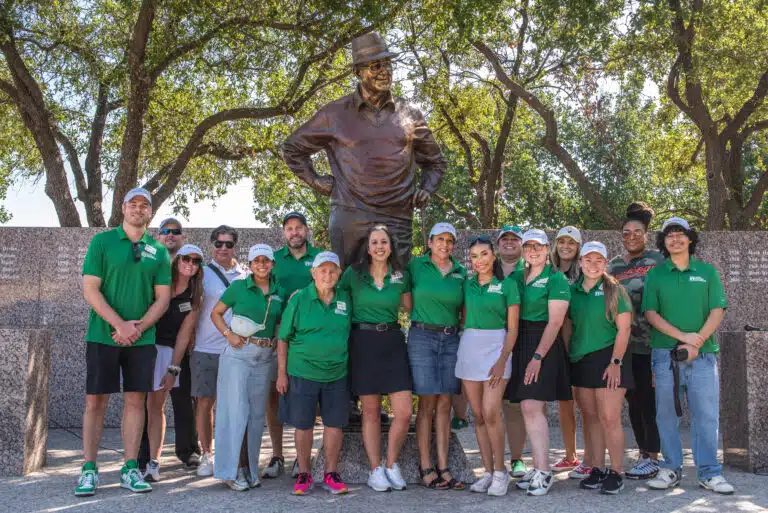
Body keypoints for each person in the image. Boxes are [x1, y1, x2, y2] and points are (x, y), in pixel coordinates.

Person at [281, 32, 446, 267]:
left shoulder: (410, 115)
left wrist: (427, 188)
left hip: (397, 216)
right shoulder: (334, 114)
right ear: (357, 71)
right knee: (347, 288)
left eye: (388, 64)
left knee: (397, 288)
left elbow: (436, 162)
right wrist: (316, 181)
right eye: (376, 65)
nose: (384, 71)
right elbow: (292, 147)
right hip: (350, 216)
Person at [75, 187, 171, 497]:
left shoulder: (158, 250)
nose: (138, 209)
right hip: (103, 335)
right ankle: (89, 469)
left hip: (141, 340)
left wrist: (137, 328)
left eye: (145, 205)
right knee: (95, 402)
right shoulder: (102, 242)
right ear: (123, 207)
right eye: (133, 203)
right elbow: (91, 289)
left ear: (149, 212)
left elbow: (163, 298)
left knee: (135, 402)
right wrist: (119, 325)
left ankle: (130, 468)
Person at [643, 217, 733, 494]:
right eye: (669, 235)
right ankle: (671, 469)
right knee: (666, 414)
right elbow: (650, 313)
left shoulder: (707, 272)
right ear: (664, 242)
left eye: (680, 234)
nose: (675, 239)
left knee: (706, 415)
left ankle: (709, 472)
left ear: (690, 239)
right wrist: (684, 338)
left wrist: (698, 341)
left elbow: (717, 310)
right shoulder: (656, 274)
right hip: (665, 356)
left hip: (703, 355)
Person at [339, 225, 413, 492]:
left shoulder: (400, 276)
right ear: (367, 248)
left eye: (384, 242)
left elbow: (410, 306)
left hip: (393, 341)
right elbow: (336, 301)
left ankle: (391, 464)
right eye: (375, 242)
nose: (380, 246)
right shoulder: (353, 275)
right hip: (363, 342)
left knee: (403, 412)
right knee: (370, 412)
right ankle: (375, 469)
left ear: (390, 246)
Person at [276, 251, 352, 496]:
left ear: (339, 274)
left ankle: (330, 474)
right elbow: (283, 338)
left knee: (334, 424)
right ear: (313, 273)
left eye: (332, 270)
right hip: (302, 372)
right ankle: (305, 474)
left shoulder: (346, 299)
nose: (327, 275)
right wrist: (281, 374)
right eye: (322, 270)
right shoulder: (299, 299)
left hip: (337, 373)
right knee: (303, 425)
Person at [211, 244, 286, 491]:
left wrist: (275, 341)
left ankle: (250, 469)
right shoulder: (238, 287)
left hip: (265, 357)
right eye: (257, 260)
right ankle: (231, 472)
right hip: (238, 354)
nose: (262, 264)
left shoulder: (279, 291)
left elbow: (279, 322)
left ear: (272, 264)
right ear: (251, 264)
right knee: (235, 413)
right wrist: (228, 334)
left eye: (266, 260)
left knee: (255, 417)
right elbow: (216, 313)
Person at [563, 241, 633, 495]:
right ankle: (597, 468)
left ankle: (617, 472)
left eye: (599, 260)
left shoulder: (615, 290)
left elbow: (624, 329)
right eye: (588, 260)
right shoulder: (571, 291)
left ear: (606, 263)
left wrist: (616, 362)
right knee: (590, 419)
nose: (593, 265)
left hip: (609, 358)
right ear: (580, 262)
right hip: (581, 360)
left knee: (610, 418)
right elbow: (568, 326)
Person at [505, 229, 571, 497]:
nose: (533, 250)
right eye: (529, 245)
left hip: (541, 343)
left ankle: (544, 472)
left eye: (539, 246)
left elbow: (555, 322)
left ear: (548, 249)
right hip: (519, 341)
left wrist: (537, 357)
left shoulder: (556, 279)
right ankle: (537, 466)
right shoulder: (518, 277)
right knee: (531, 408)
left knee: (532, 405)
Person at [407, 222, 467, 491]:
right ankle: (426, 465)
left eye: (449, 240)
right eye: (439, 239)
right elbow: (405, 299)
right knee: (427, 403)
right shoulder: (415, 266)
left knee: (445, 403)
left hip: (451, 338)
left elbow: (465, 308)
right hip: (422, 337)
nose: (445, 244)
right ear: (429, 242)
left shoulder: (460, 272)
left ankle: (444, 466)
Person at [459, 235, 520, 497]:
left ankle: (500, 471)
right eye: (474, 256)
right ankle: (486, 471)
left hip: (497, 349)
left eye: (484, 254)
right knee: (478, 415)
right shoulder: (466, 286)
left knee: (491, 411)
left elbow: (513, 328)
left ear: (493, 256)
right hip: (469, 348)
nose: (479, 260)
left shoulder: (508, 286)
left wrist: (502, 359)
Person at [138, 218, 201, 473]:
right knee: (146, 405)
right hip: (147, 348)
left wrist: (174, 365)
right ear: (158, 236)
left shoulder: (195, 290)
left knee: (185, 402)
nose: (171, 235)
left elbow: (186, 331)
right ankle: (144, 456)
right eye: (166, 231)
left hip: (177, 352)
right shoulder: (154, 270)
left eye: (177, 232)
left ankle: (189, 451)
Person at [607, 202, 664, 479]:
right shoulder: (614, 265)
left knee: (649, 402)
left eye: (637, 232)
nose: (631, 237)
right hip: (623, 347)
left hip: (650, 346)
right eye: (626, 233)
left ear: (646, 234)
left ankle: (653, 456)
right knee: (633, 402)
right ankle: (644, 454)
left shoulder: (657, 261)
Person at [263, 212, 321, 480]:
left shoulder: (321, 259)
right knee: (275, 396)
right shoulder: (272, 260)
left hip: (312, 339)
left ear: (307, 230)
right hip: (278, 337)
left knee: (306, 399)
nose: (294, 232)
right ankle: (277, 455)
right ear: (284, 232)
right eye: (289, 229)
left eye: (299, 228)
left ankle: (303, 457)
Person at [192, 226, 247, 477]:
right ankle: (206, 453)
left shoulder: (245, 274)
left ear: (235, 246)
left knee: (235, 405)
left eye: (228, 244)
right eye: (218, 243)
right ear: (212, 244)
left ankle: (232, 453)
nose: (223, 248)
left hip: (237, 348)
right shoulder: (201, 273)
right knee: (205, 402)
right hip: (206, 347)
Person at [551, 226, 591, 479]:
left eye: (572, 243)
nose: (566, 246)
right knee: (565, 402)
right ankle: (570, 455)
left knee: (586, 404)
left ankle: (591, 458)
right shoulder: (548, 272)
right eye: (562, 241)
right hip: (554, 342)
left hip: (582, 341)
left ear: (578, 247)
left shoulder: (586, 272)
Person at [497, 225, 528, 479]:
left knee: (513, 405)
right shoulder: (486, 267)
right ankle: (494, 463)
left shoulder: (529, 270)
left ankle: (517, 459)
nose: (509, 243)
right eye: (504, 239)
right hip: (488, 342)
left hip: (519, 343)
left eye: (514, 239)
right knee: (487, 407)